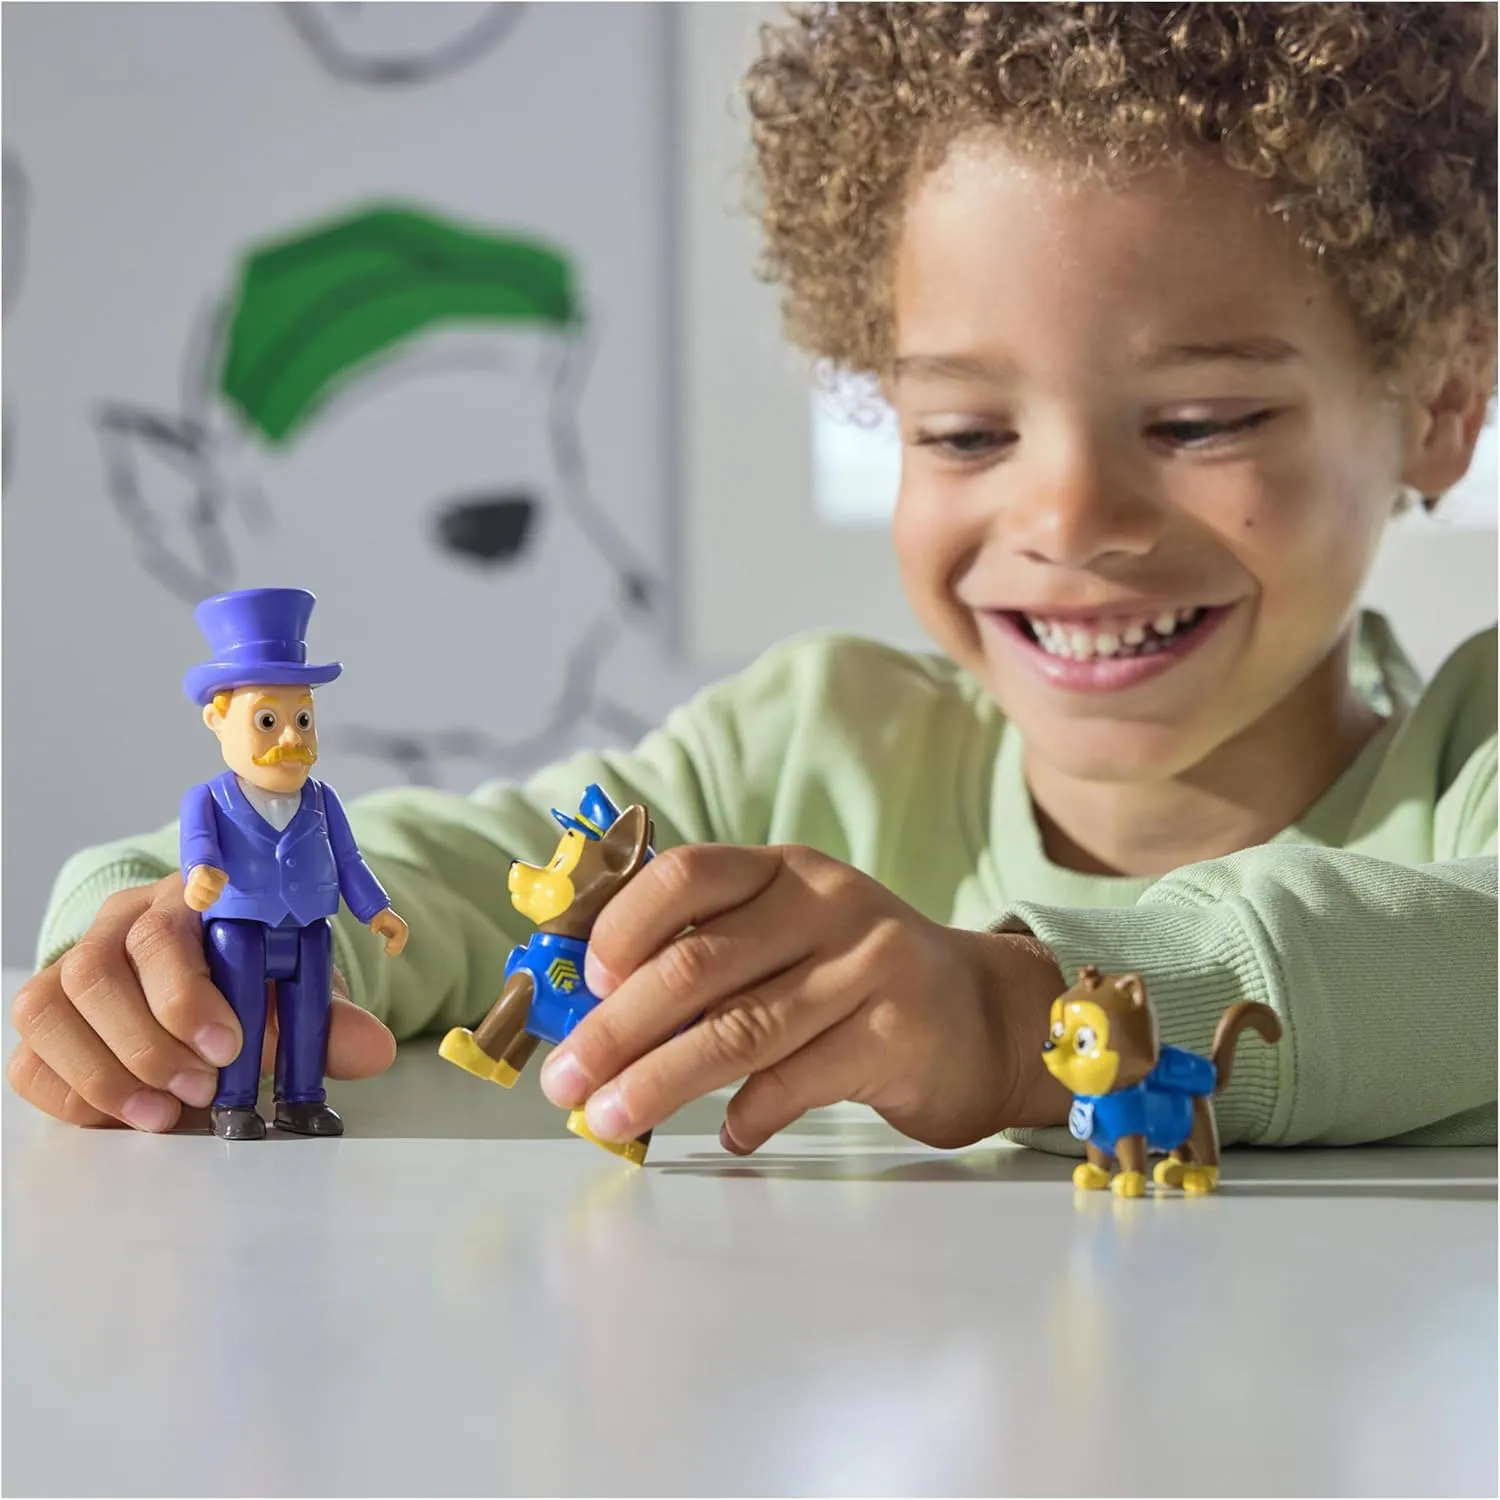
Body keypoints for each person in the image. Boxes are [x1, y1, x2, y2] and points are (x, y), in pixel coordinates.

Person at [11, 3, 1496, 1165]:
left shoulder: (1473, 760)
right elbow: (462, 876)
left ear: (1438, 398)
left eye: (1201, 421)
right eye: (965, 432)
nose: (1068, 515)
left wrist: (1011, 1017)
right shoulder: (811, 749)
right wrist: (152, 943)